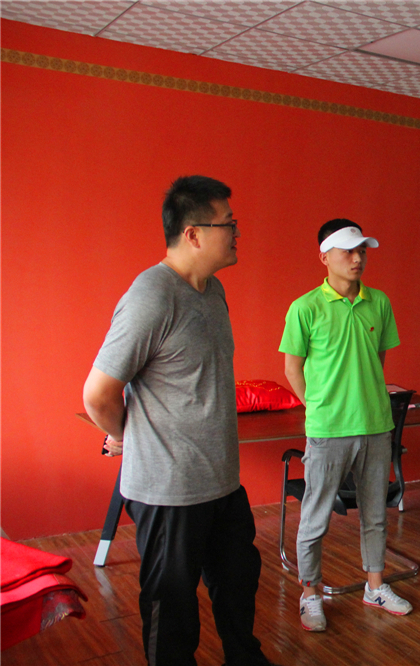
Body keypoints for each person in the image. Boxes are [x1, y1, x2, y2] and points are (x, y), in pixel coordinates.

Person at [82, 175, 275, 666]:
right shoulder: (152, 295)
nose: (237, 232)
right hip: (169, 490)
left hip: (221, 482)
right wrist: (130, 437)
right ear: (193, 233)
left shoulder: (213, 291)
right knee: (172, 610)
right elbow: (98, 394)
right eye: (228, 223)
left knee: (238, 583)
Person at [280, 219, 412, 633]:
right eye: (348, 251)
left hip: (376, 425)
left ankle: (375, 586)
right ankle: (310, 593)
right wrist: (318, 406)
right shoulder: (305, 308)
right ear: (324, 257)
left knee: (375, 513)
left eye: (362, 251)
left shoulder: (379, 302)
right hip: (328, 430)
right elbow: (292, 368)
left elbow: (377, 361)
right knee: (315, 517)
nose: (357, 259)